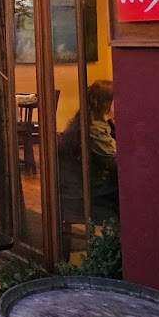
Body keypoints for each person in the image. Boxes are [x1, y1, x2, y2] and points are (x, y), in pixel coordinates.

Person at [58, 80, 118, 221]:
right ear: (105, 103)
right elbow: (115, 163)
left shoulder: (93, 122)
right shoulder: (94, 129)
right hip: (83, 196)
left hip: (85, 189)